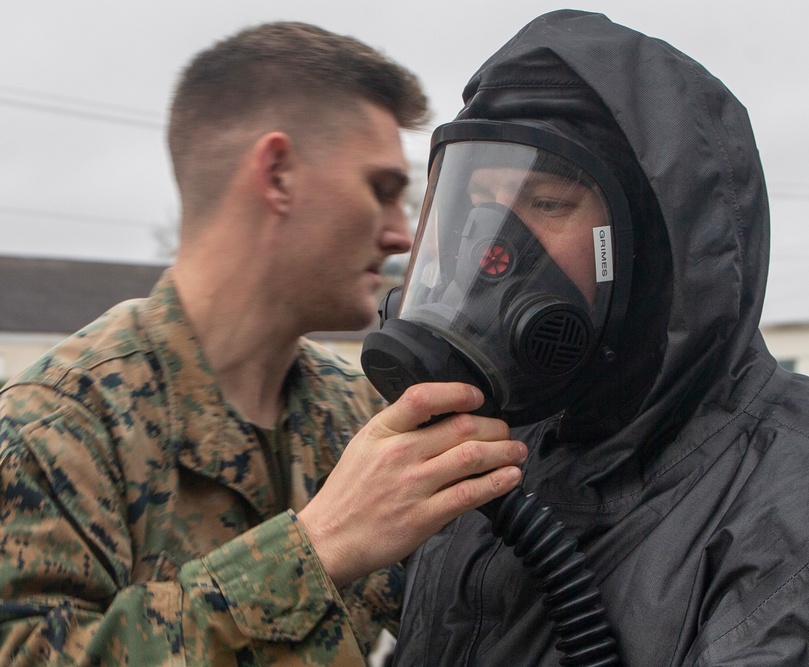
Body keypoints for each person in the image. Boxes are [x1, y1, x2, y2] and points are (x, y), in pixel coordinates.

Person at [362, 10, 809, 666]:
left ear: (655, 249)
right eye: (475, 207)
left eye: (547, 203)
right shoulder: (499, 474)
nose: (490, 247)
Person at [0, 22, 527, 665]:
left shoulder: (364, 418)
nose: (400, 235)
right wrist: (318, 548)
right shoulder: (51, 429)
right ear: (277, 174)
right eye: (382, 191)